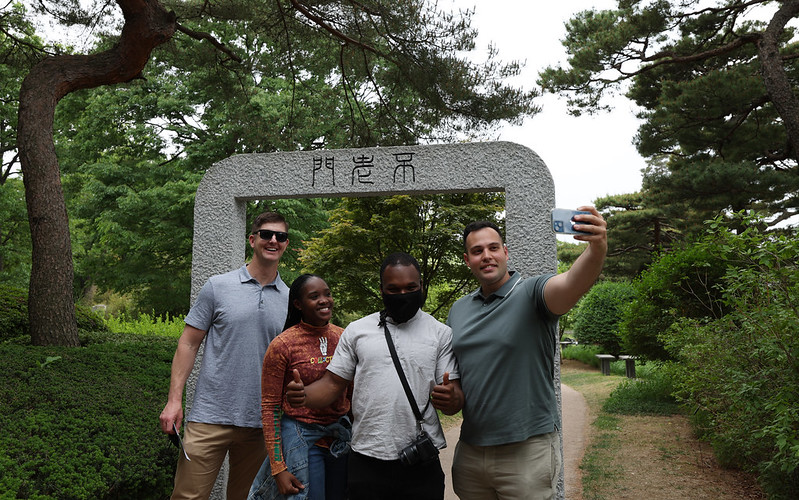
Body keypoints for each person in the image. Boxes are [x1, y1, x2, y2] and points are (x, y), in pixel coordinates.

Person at [446, 207, 607, 500]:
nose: (487, 255)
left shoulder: (532, 294)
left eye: (493, 248)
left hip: (526, 452)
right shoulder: (458, 309)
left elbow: (573, 282)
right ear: (467, 259)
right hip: (470, 451)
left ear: (505, 252)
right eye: (477, 250)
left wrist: (596, 248)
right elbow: (456, 376)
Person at [285, 252, 464, 500]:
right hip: (366, 459)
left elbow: (453, 397)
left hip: (421, 460)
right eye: (394, 289)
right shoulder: (358, 331)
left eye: (411, 287)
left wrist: (451, 399)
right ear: (381, 290)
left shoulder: (441, 334)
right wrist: (303, 395)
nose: (403, 295)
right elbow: (333, 383)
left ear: (421, 286)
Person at [159, 211, 291, 500]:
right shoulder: (218, 287)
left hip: (261, 423)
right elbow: (188, 344)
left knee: (247, 498)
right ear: (252, 239)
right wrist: (174, 401)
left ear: (286, 244)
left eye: (280, 236)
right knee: (187, 497)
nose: (273, 240)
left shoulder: (291, 299)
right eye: (266, 234)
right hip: (209, 416)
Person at [249, 274, 351, 500]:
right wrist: (278, 469)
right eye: (314, 297)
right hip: (301, 435)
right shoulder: (283, 345)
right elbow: (270, 407)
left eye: (327, 294)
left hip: (340, 436)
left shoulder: (344, 338)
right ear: (298, 304)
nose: (324, 300)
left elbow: (351, 393)